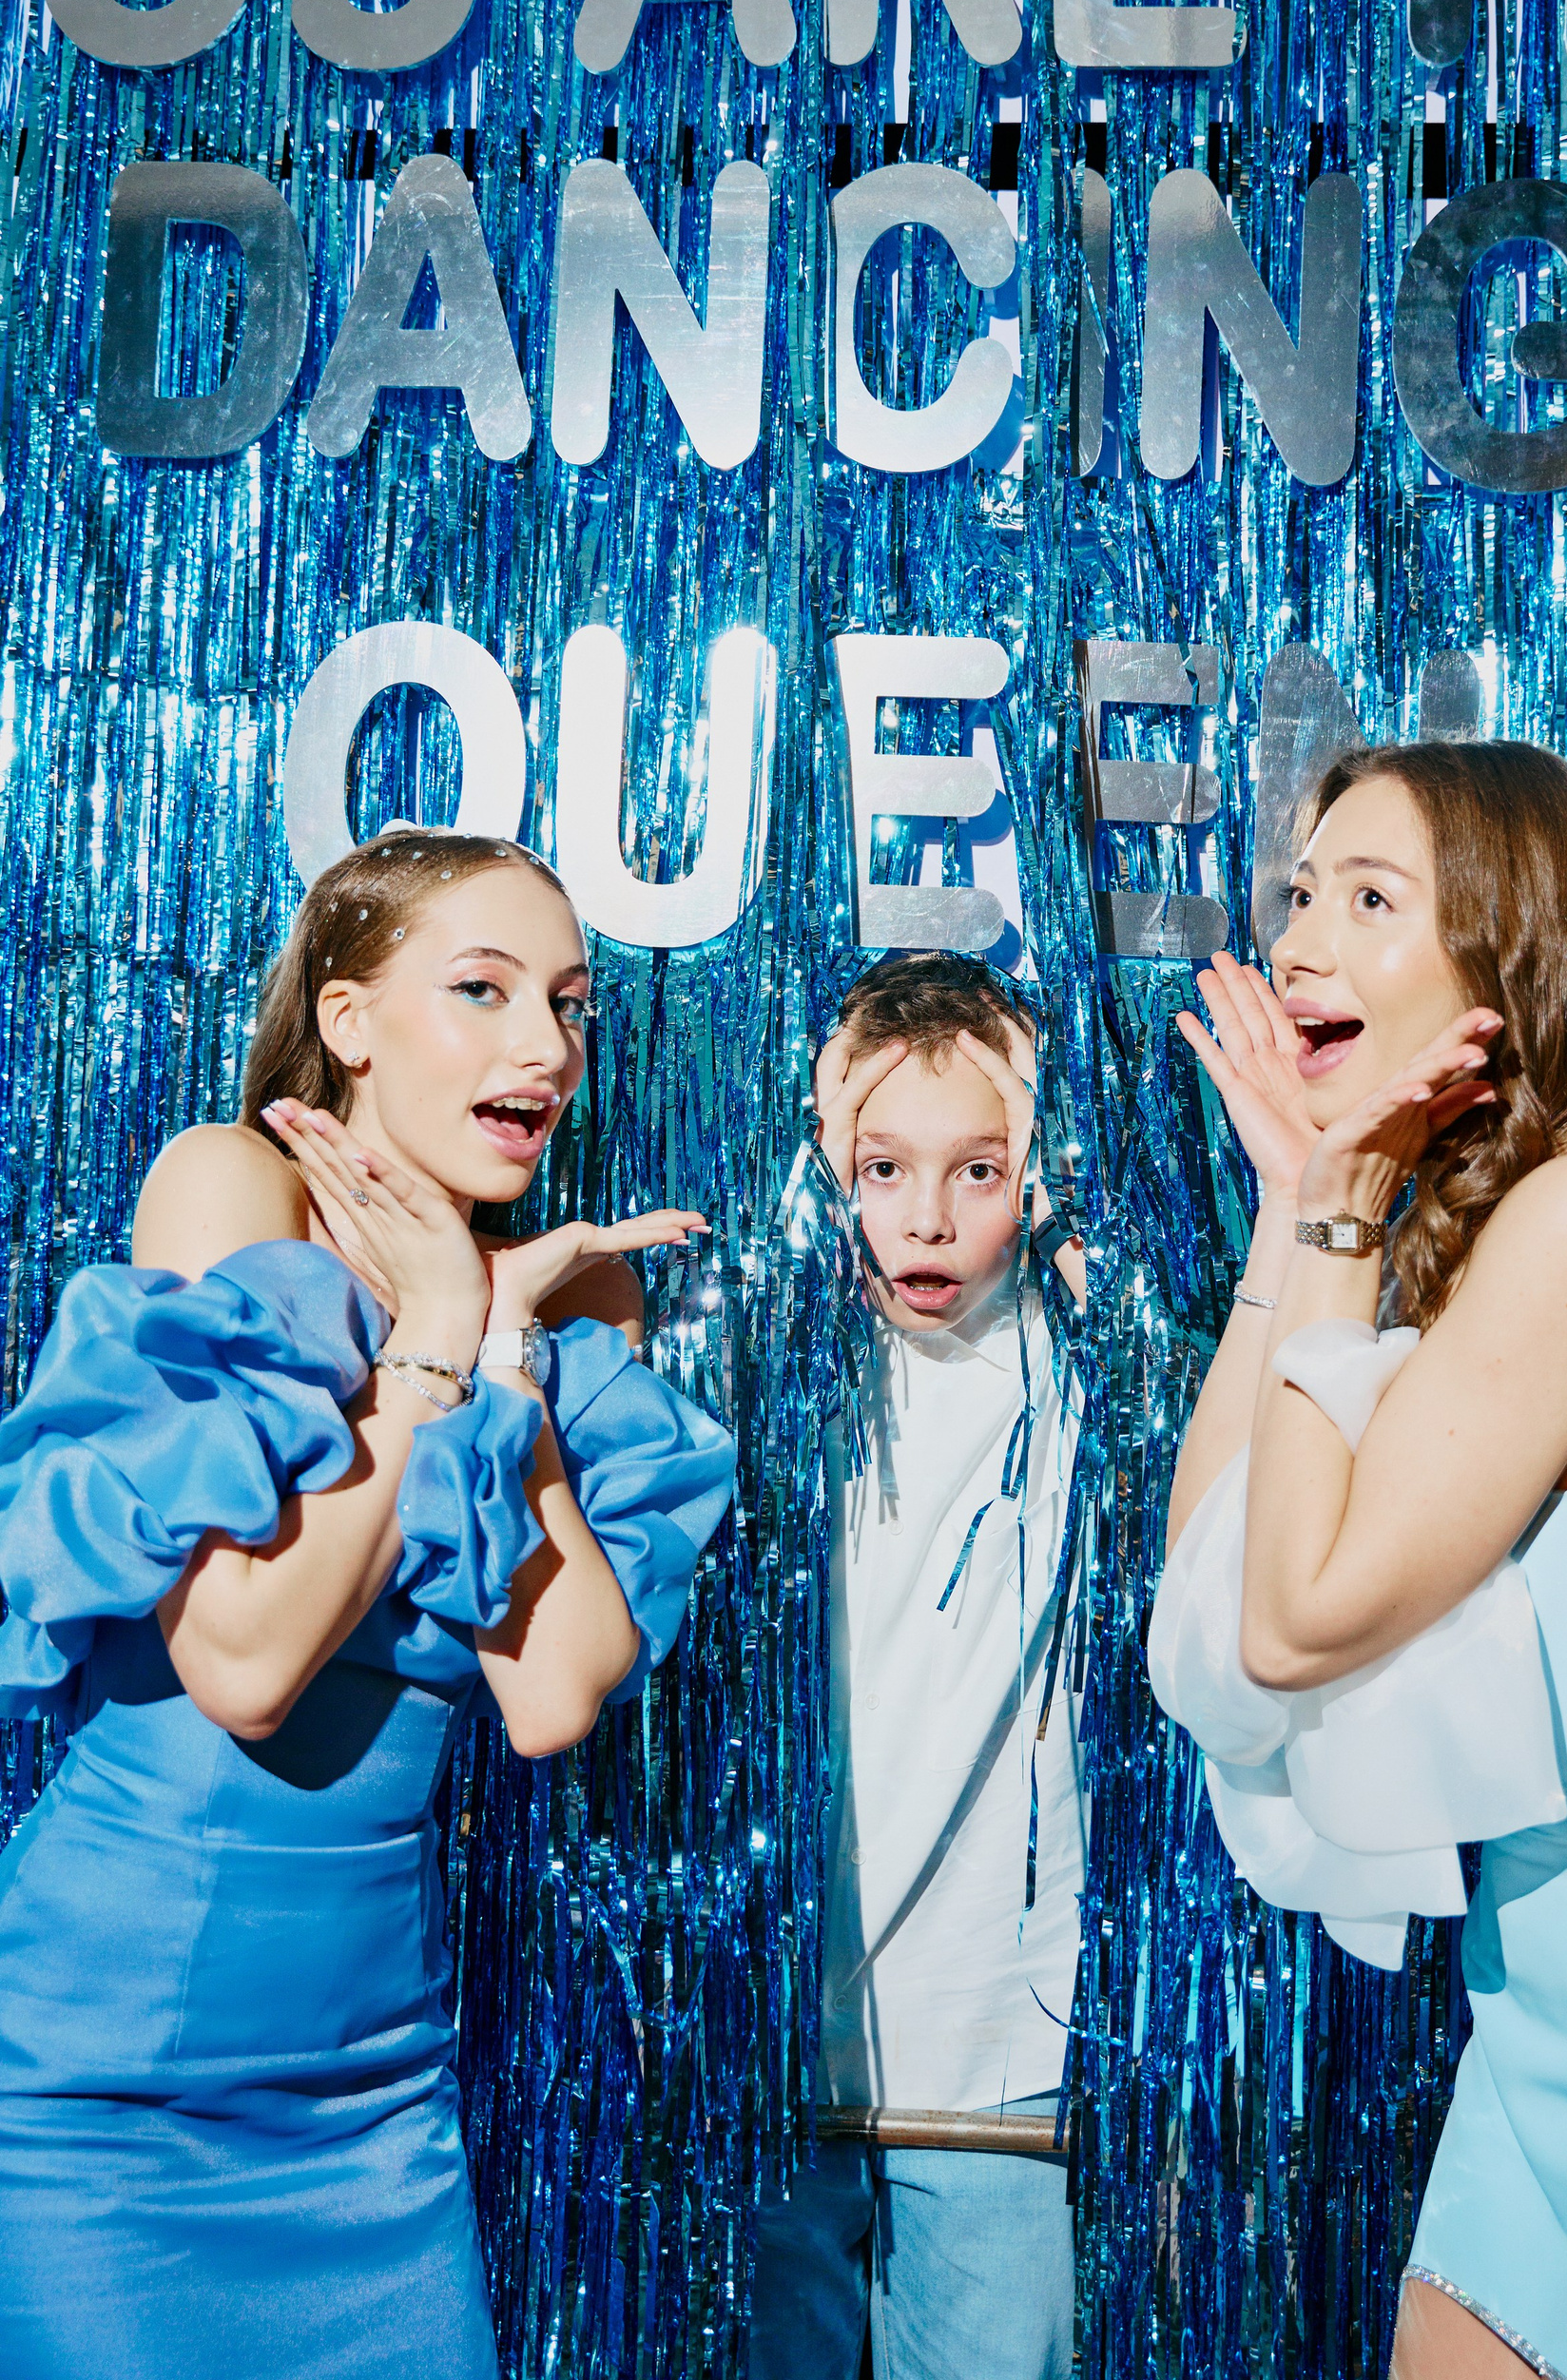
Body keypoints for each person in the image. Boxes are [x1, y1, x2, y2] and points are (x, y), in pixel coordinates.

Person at [0, 827, 736, 2380]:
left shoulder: (574, 1294)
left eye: (570, 1003)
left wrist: (504, 1339)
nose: (547, 1045)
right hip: (98, 2087)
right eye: (483, 989)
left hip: (372, 2103)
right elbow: (244, 1659)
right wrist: (436, 1336)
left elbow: (555, 1691)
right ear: (348, 1021)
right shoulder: (234, 1188)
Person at [1150, 741, 1567, 2380]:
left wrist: (1338, 1223)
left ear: (1509, 961)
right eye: (1302, 892)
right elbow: (1212, 1630)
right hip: (1541, 2022)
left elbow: (1299, 1621)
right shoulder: (1453, 1238)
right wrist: (1290, 1215)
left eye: (1370, 899)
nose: (1299, 941)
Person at [750, 955, 1089, 2380]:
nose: (928, 1218)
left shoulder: (1085, 1372)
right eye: (882, 1168)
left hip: (991, 2048)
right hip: (771, 2047)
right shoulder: (761, 1371)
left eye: (979, 1169)